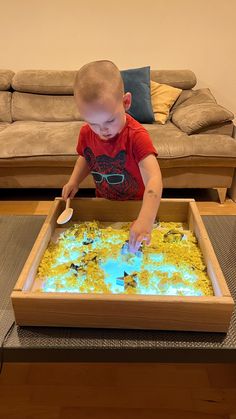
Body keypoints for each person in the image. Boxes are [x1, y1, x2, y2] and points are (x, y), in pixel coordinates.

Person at [62, 60, 163, 253]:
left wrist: (145, 219)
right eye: (93, 123)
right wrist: (74, 181)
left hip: (137, 207)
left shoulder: (136, 136)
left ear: (126, 102)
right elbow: (86, 157)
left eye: (109, 120)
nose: (103, 130)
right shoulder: (86, 133)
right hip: (105, 204)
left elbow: (154, 178)